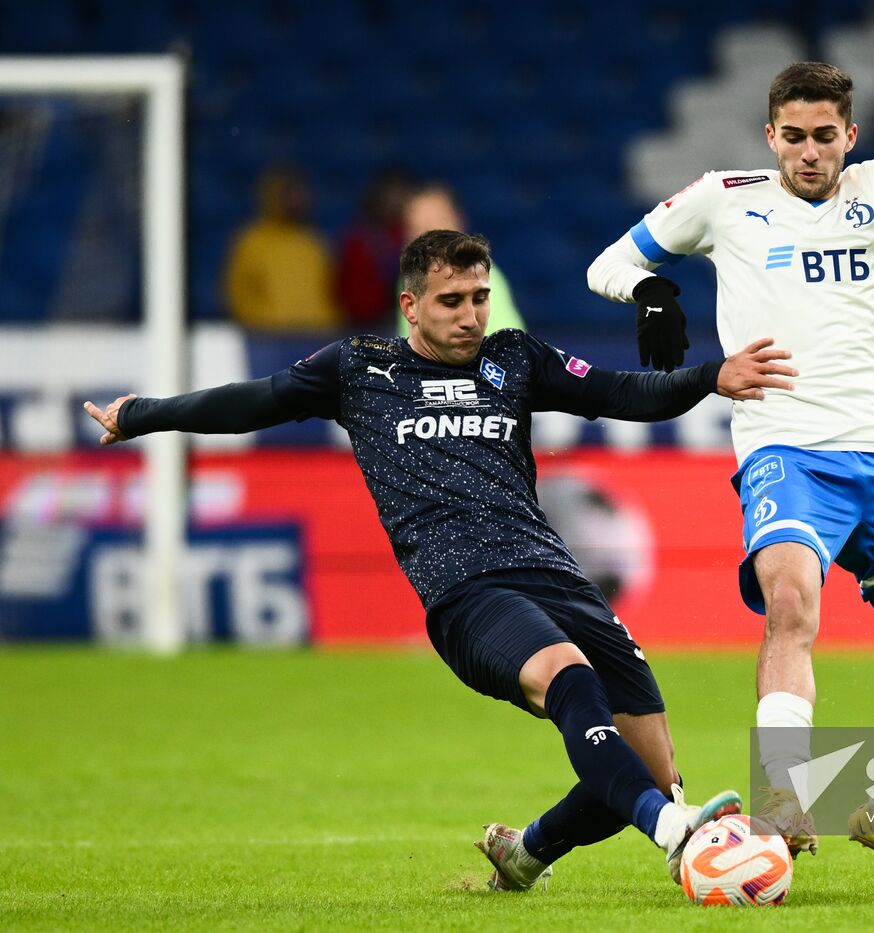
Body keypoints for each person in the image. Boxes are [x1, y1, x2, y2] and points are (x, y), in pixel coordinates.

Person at [84, 230, 797, 892]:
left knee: (646, 769)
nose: (470, 315)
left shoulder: (514, 358)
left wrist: (712, 376)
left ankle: (524, 853)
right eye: (451, 301)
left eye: (479, 297)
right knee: (569, 678)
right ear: (411, 306)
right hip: (465, 591)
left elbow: (615, 390)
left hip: (555, 574)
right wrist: (142, 413)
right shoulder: (360, 367)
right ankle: (675, 832)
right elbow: (253, 401)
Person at [586, 14, 874, 890]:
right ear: (770, 135)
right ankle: (782, 796)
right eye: (794, 137)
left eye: (826, 137)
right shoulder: (725, 197)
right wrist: (653, 289)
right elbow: (606, 265)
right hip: (785, 448)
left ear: (850, 136)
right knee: (791, 608)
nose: (810, 152)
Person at [223, 165, 340, 331]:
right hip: (268, 339)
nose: (296, 200)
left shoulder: (315, 243)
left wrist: (326, 323)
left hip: (314, 336)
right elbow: (238, 293)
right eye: (290, 193)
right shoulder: (252, 241)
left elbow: (331, 293)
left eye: (301, 194)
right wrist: (260, 325)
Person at [400, 182, 526, 334]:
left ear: (459, 222)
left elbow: (509, 348)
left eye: (438, 222)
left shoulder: (481, 276)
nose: (430, 235)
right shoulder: (410, 280)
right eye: (419, 226)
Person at [336, 166, 414, 328]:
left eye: (401, 193)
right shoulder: (359, 238)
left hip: (403, 320)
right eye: (390, 194)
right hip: (361, 322)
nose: (395, 200)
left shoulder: (411, 234)